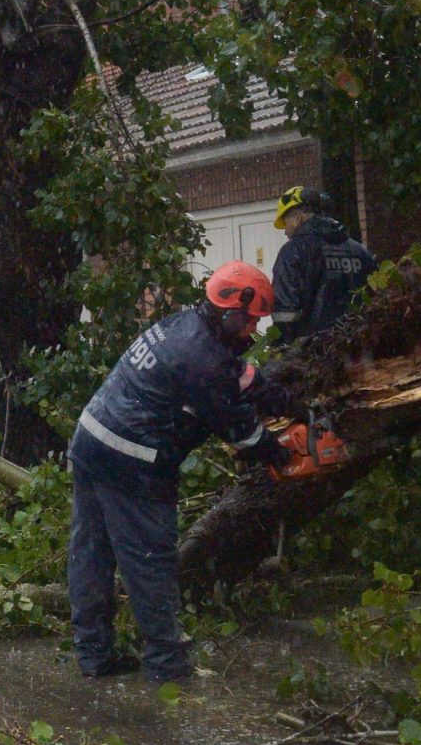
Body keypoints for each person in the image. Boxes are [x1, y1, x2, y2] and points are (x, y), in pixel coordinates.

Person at [68, 262, 292, 681]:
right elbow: (239, 430)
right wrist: (277, 452)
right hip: (132, 461)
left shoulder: (186, 325)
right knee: (150, 561)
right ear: (232, 312)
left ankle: (94, 655)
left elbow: (237, 376)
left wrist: (279, 396)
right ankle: (167, 667)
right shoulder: (202, 357)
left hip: (91, 442)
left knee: (92, 555)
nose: (253, 332)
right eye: (251, 322)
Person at [268, 186, 376, 338]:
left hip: (313, 354)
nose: (285, 231)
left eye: (286, 223)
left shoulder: (293, 251)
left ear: (297, 217)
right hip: (359, 348)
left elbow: (285, 314)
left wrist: (283, 350)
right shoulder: (360, 251)